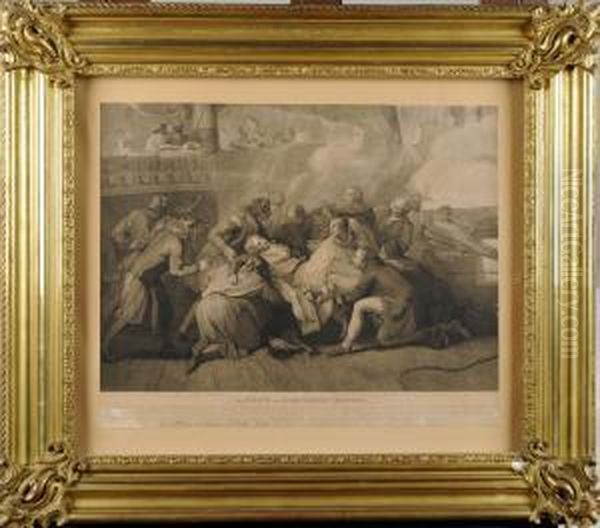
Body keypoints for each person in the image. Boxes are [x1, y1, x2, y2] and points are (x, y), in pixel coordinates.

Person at [103, 216, 199, 360]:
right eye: (190, 227)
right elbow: (175, 271)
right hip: (139, 280)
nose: (191, 231)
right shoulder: (176, 243)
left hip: (141, 277)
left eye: (192, 227)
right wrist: (197, 267)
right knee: (126, 316)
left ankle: (165, 345)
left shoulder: (165, 233)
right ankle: (104, 346)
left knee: (164, 308)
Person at [207, 197, 272, 261]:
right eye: (263, 212)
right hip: (216, 256)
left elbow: (264, 237)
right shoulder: (238, 220)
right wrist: (226, 250)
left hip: (238, 257)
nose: (263, 221)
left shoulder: (257, 224)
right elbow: (212, 235)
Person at [111, 194, 168, 266]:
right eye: (160, 202)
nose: (162, 206)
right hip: (134, 259)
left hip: (151, 259)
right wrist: (129, 245)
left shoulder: (163, 220)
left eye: (163, 206)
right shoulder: (137, 215)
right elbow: (116, 234)